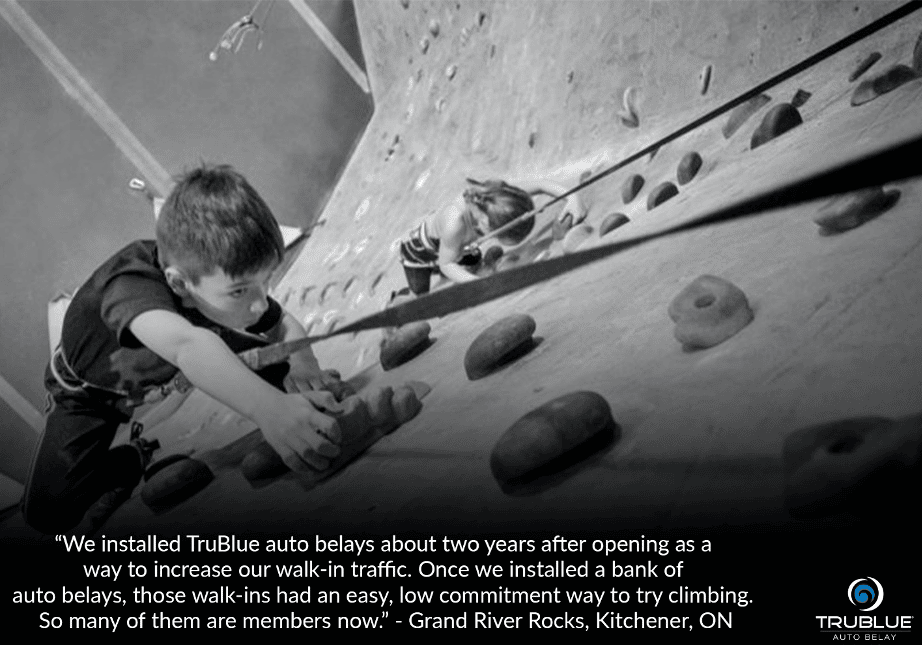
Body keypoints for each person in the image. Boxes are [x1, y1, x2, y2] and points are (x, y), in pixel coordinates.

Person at [23, 164, 346, 534]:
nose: (258, 304)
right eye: (240, 290)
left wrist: (304, 363)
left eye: (266, 281)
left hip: (186, 349)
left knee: (284, 368)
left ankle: (300, 401)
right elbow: (186, 346)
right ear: (178, 283)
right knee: (46, 513)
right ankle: (130, 459)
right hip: (91, 397)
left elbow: (281, 323)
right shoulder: (127, 286)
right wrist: (269, 409)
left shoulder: (221, 291)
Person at [398, 177, 587, 295]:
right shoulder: (454, 224)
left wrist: (572, 198)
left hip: (452, 245)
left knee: (468, 259)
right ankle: (397, 300)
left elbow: (541, 184)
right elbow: (445, 264)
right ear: (483, 223)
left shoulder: (500, 198)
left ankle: (464, 259)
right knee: (420, 293)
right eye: (498, 235)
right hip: (417, 251)